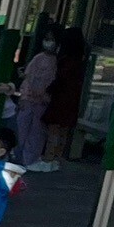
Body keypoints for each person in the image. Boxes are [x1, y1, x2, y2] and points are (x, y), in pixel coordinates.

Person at [10, 26, 58, 174]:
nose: (48, 42)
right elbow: (28, 79)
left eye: (52, 39)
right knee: (22, 129)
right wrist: (24, 97)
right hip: (31, 100)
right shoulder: (38, 59)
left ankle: (29, 159)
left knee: (36, 132)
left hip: (43, 102)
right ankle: (19, 157)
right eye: (47, 39)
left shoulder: (57, 61)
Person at [39, 28, 87, 171]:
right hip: (72, 98)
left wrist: (48, 90)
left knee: (54, 128)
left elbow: (61, 79)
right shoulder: (80, 60)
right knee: (63, 130)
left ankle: (49, 158)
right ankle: (56, 158)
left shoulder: (66, 60)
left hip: (61, 98)